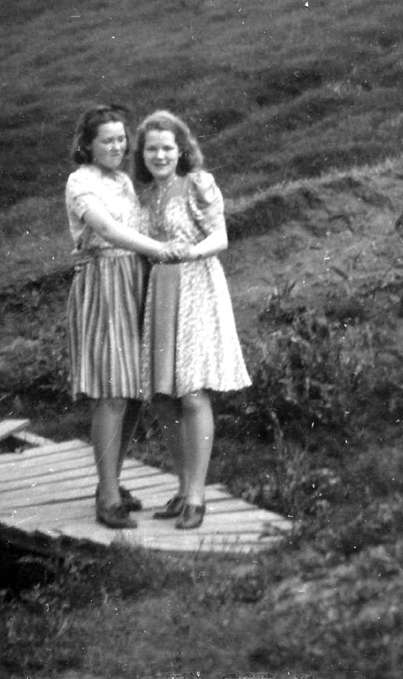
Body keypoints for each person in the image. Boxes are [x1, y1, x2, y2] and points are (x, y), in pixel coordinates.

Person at [65, 104, 187, 530]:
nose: (117, 147)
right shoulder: (80, 182)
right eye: (107, 140)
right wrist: (158, 250)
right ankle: (108, 497)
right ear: (88, 145)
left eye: (121, 139)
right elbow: (108, 230)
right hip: (104, 284)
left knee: (133, 390)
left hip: (135, 279)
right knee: (112, 391)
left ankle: (110, 483)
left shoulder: (121, 181)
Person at [131, 110, 251, 530]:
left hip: (196, 286)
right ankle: (182, 489)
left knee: (193, 393)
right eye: (151, 149)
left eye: (167, 148)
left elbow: (221, 237)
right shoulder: (147, 194)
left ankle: (197, 497)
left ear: (181, 150)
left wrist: (190, 252)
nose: (160, 156)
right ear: (142, 154)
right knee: (164, 396)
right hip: (161, 290)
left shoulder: (197, 183)